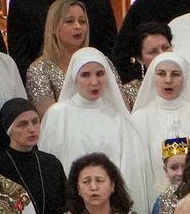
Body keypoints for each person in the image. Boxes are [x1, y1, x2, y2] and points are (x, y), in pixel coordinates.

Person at [38, 47, 153, 200]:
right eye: (86, 75)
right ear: (75, 77)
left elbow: (130, 170)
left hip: (112, 203)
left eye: (100, 74)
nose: (94, 82)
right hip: (71, 202)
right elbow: (49, 169)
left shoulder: (118, 116)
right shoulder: (57, 115)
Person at [129, 52, 190, 190]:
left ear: (184, 78)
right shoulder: (139, 118)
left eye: (175, 74)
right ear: (153, 78)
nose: (168, 80)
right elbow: (137, 170)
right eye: (161, 74)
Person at [0, 100, 66, 214]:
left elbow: (66, 206)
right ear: (8, 129)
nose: (32, 129)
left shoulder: (52, 163)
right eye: (22, 124)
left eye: (35, 121)